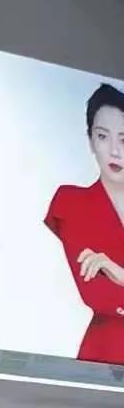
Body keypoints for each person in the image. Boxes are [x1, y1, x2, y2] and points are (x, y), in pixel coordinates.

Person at [46, 82, 124, 363]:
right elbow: (98, 296)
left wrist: (119, 273)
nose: (114, 151)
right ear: (90, 140)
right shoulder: (71, 203)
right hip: (107, 357)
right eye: (103, 136)